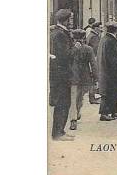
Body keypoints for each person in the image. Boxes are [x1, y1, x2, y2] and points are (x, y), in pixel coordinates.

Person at [49, 9, 74, 141]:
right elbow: (64, 56)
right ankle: (58, 133)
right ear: (65, 20)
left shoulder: (58, 32)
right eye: (71, 19)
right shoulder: (60, 35)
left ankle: (60, 131)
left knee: (63, 102)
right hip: (61, 75)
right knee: (63, 103)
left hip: (59, 74)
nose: (72, 22)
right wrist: (75, 48)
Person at [97, 22, 117, 121]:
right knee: (107, 93)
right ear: (116, 30)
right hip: (111, 71)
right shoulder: (110, 40)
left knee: (113, 92)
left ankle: (114, 112)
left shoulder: (105, 39)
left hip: (106, 70)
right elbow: (114, 58)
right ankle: (104, 113)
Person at [69, 29, 97, 131]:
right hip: (85, 77)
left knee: (74, 98)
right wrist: (95, 77)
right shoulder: (89, 49)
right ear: (84, 38)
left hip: (72, 76)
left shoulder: (70, 48)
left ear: (73, 37)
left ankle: (74, 115)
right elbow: (93, 64)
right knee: (79, 97)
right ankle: (74, 118)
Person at [86, 21, 103, 104]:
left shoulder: (91, 35)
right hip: (94, 58)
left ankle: (93, 96)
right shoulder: (94, 37)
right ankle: (92, 97)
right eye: (100, 27)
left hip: (93, 57)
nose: (101, 29)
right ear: (95, 28)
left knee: (94, 78)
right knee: (94, 78)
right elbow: (96, 48)